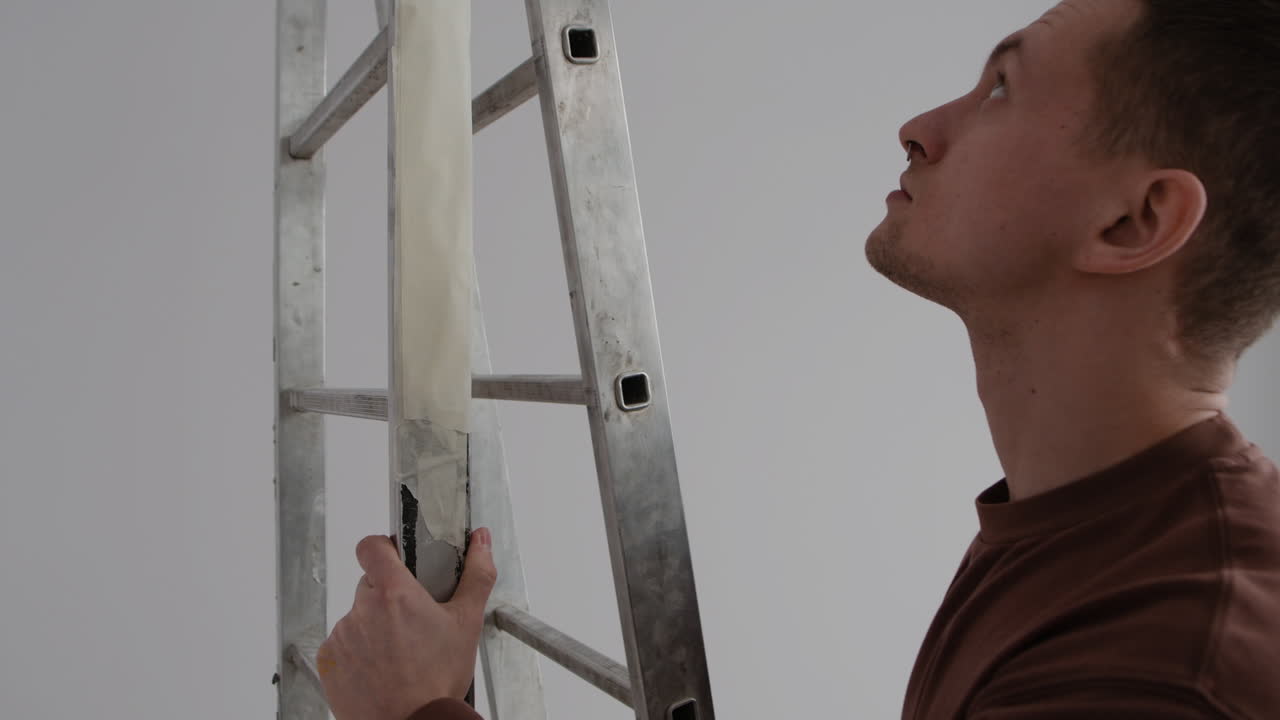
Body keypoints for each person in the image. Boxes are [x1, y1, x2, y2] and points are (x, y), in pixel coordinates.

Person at [315, 0, 1280, 717]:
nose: (920, 126)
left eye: (1001, 88)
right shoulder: (1093, 533)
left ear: (1135, 221)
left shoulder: (1168, 668)